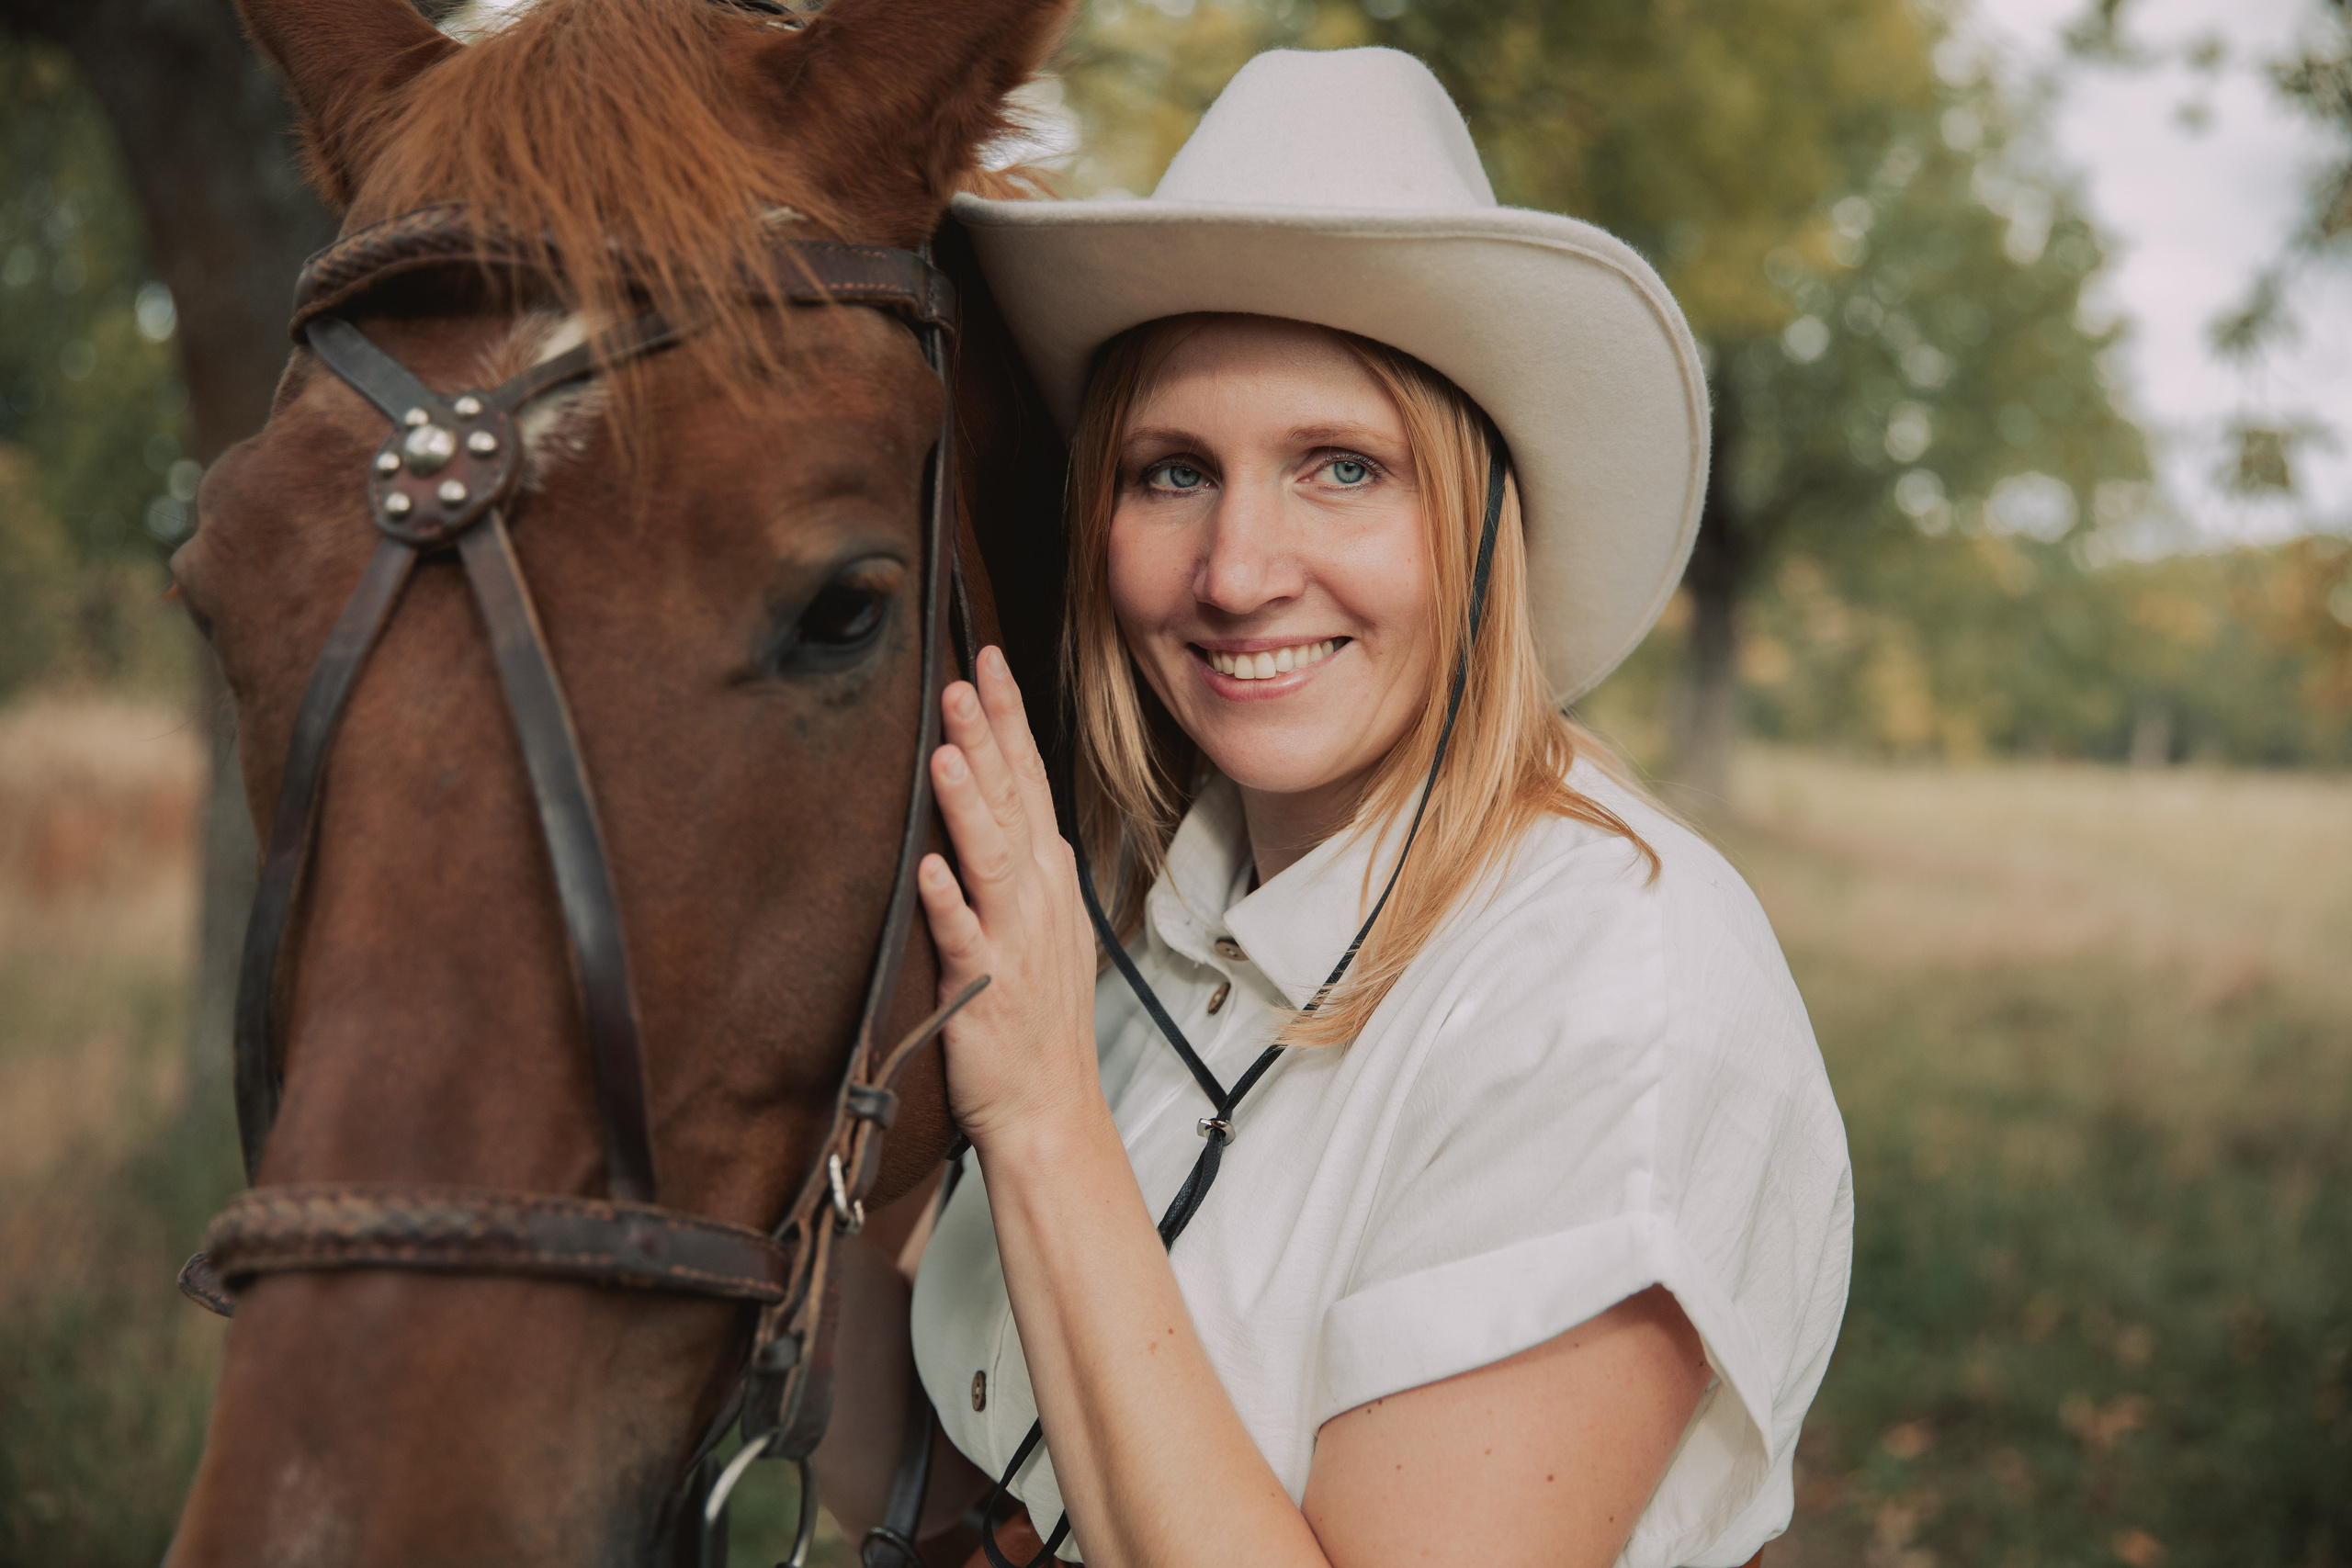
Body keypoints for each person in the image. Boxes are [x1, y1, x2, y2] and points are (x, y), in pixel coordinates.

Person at [813, 47, 1852, 1568]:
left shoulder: (1618, 998)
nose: (1236, 571)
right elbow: (965, 1484)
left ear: (1481, 521)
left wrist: (1039, 1117)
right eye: (1172, 473)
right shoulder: (1138, 911)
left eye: (1342, 468)